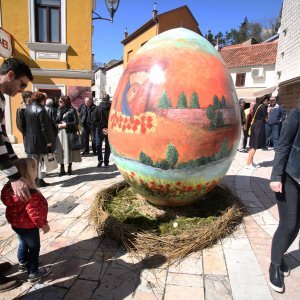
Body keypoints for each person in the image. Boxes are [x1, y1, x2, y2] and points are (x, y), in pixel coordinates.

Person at [0, 58, 33, 292]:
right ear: (10, 75)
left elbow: (1, 135)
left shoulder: (1, 98)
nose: (22, 91)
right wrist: (13, 176)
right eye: (22, 85)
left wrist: (14, 161)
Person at [1, 158, 51, 282]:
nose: (36, 170)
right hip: (29, 226)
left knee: (23, 242)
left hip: (16, 224)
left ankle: (23, 263)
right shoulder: (30, 193)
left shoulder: (9, 188)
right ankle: (33, 272)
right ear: (29, 172)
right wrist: (43, 224)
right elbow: (34, 212)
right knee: (34, 247)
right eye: (34, 168)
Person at [268, 108, 300, 293]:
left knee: (296, 225)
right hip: (289, 177)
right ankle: (274, 265)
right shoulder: (296, 115)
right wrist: (275, 176)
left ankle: (279, 255)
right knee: (288, 225)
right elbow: (283, 145)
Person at [24, 92, 54, 187]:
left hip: (30, 140)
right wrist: (48, 141)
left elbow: (25, 125)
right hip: (40, 140)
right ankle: (39, 180)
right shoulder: (41, 109)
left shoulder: (27, 109)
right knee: (40, 161)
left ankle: (33, 179)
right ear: (42, 99)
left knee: (33, 161)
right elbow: (44, 128)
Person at [56, 96, 82, 176]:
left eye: (61, 101)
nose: (59, 103)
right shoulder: (58, 109)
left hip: (69, 133)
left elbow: (76, 122)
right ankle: (62, 169)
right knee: (61, 151)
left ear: (66, 101)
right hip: (60, 133)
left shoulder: (72, 110)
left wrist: (66, 124)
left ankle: (69, 168)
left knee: (69, 151)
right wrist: (57, 125)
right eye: (59, 101)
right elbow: (55, 120)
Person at [245, 95, 269, 170]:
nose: (268, 103)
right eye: (268, 101)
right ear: (265, 100)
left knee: (252, 144)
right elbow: (266, 118)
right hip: (259, 126)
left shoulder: (256, 105)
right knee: (254, 145)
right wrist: (268, 114)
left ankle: (251, 162)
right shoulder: (264, 106)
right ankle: (248, 164)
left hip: (254, 125)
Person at [94, 93, 111, 168]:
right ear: (108, 99)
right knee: (108, 145)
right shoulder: (112, 108)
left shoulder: (97, 108)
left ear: (102, 99)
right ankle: (106, 161)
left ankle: (100, 159)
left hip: (100, 129)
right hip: (109, 129)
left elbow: (94, 120)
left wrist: (100, 127)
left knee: (98, 144)